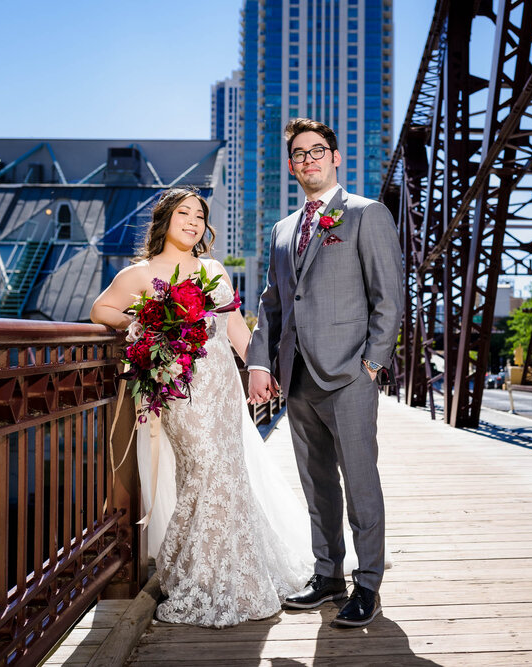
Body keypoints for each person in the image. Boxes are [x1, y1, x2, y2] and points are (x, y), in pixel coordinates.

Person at [90, 187, 310, 627]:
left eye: (199, 215)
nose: (192, 221)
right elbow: (101, 310)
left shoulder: (212, 269)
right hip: (180, 389)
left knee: (225, 473)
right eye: (183, 212)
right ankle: (202, 576)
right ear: (165, 220)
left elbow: (233, 329)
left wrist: (261, 370)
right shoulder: (141, 272)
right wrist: (143, 321)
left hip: (221, 388)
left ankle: (217, 571)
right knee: (205, 469)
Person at [247, 118, 403, 628]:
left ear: (336, 158)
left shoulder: (365, 214)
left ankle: (368, 584)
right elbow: (274, 304)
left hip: (348, 376)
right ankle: (328, 575)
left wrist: (372, 364)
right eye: (299, 153)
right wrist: (259, 361)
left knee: (360, 484)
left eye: (318, 150)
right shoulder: (282, 229)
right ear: (291, 166)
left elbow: (389, 298)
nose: (309, 159)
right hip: (296, 379)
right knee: (316, 486)